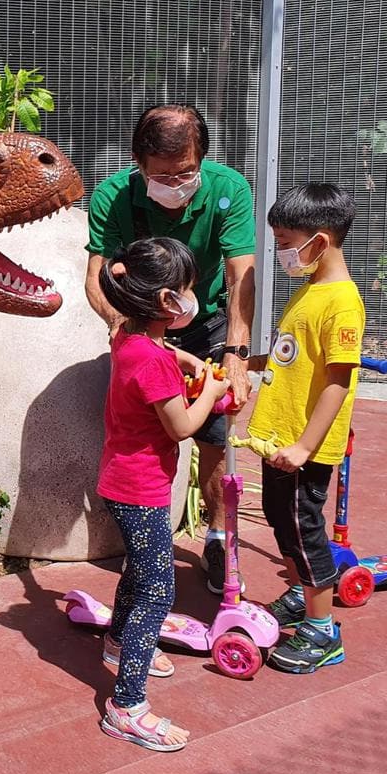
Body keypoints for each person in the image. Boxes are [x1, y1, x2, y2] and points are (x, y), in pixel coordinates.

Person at [85, 104, 257, 594]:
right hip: (140, 324)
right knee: (139, 433)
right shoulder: (114, 196)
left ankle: (219, 536)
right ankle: (144, 541)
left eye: (186, 172)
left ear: (202, 158)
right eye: (162, 176)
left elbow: (241, 274)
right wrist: (130, 329)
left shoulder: (228, 190)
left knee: (216, 433)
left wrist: (235, 354)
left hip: (206, 323)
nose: (176, 184)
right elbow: (99, 275)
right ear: (138, 164)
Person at [95, 237, 230, 753]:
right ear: (166, 304)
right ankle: (126, 706)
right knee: (158, 588)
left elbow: (156, 351)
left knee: (140, 567)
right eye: (186, 290)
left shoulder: (128, 335)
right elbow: (181, 427)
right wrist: (212, 392)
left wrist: (188, 360)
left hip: (118, 480)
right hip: (142, 489)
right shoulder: (151, 361)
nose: (192, 297)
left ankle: (117, 643)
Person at [246, 183, 364, 673]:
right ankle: (300, 591)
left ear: (319, 242)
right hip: (278, 436)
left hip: (303, 446)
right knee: (282, 521)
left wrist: (304, 446)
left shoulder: (341, 301)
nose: (281, 253)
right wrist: (250, 361)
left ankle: (322, 631)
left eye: (285, 242)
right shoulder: (310, 289)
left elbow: (339, 380)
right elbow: (298, 357)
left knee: (305, 529)